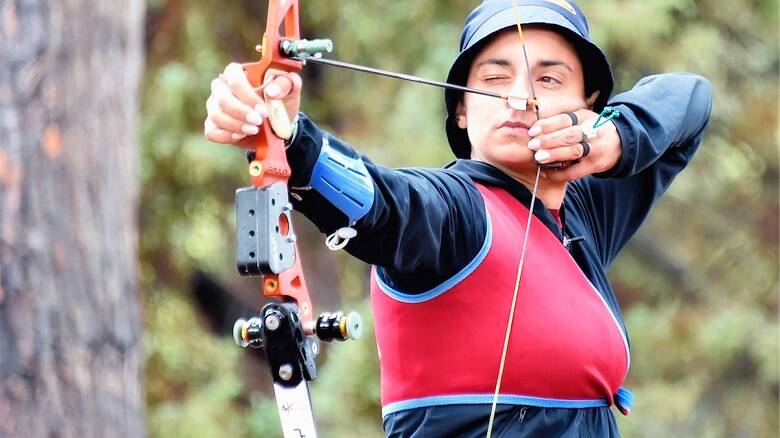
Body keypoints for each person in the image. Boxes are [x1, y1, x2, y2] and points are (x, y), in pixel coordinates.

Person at [204, 0, 712, 436]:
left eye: (549, 78)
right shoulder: (456, 211)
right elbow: (383, 204)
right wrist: (290, 136)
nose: (518, 97)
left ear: (588, 105)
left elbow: (691, 99)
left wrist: (616, 138)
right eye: (494, 78)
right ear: (462, 110)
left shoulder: (582, 213)